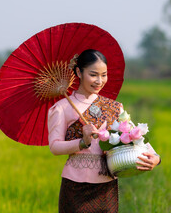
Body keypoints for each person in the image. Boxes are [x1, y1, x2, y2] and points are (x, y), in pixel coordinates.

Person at [47, 49, 161, 213]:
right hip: (75, 188)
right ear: (79, 72)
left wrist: (155, 158)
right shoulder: (62, 108)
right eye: (93, 75)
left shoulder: (114, 107)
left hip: (107, 187)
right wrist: (82, 142)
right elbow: (55, 147)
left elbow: (135, 135)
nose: (99, 81)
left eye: (104, 75)